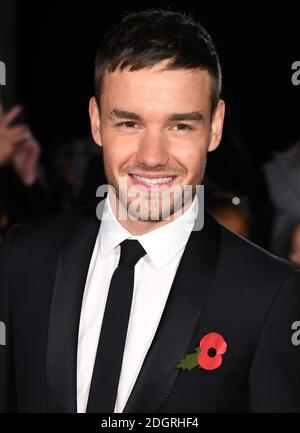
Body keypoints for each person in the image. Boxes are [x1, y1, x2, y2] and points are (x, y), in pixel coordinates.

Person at [0, 9, 299, 413]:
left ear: (214, 127)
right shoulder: (22, 257)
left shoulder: (271, 294)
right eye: (129, 124)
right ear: (96, 122)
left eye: (180, 126)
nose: (152, 157)